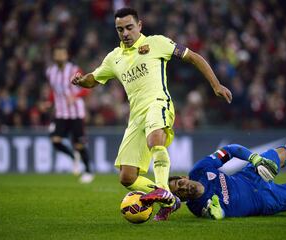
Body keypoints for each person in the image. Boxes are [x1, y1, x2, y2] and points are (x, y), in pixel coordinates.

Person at [71, 7, 232, 220]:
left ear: (139, 25)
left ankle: (164, 189)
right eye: (120, 30)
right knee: (127, 177)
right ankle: (171, 199)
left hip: (159, 103)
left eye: (129, 27)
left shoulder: (157, 43)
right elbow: (95, 78)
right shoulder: (114, 58)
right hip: (136, 117)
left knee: (155, 138)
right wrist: (83, 81)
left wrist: (216, 84)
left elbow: (193, 57)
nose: (125, 33)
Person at [168, 136, 286, 219]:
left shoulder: (201, 169)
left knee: (279, 153)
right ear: (183, 199)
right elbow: (217, 214)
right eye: (180, 192)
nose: (184, 188)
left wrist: (253, 158)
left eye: (180, 183)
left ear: (183, 177)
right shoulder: (197, 206)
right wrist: (217, 214)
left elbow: (230, 150)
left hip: (249, 175)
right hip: (264, 200)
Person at [46, 45, 94, 183]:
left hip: (76, 113)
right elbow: (53, 90)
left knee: (79, 144)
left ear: (66, 56)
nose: (60, 57)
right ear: (54, 56)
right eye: (57, 54)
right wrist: (49, 102)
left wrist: (75, 96)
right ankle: (74, 156)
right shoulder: (50, 72)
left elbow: (86, 89)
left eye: (62, 54)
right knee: (55, 140)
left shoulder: (74, 70)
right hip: (61, 113)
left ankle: (88, 171)